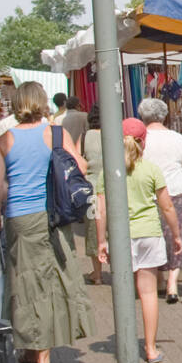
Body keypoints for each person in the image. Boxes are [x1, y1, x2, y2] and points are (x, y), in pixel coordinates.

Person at [0, 82, 93, 363]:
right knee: (49, 280)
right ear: (43, 102)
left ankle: (30, 349)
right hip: (51, 215)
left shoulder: (3, 140)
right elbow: (80, 168)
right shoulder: (56, 134)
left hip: (17, 218)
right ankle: (43, 360)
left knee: (24, 283)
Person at [96, 118, 182, 363]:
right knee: (148, 294)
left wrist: (101, 241)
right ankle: (151, 348)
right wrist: (176, 234)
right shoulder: (151, 169)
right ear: (143, 141)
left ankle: (125, 349)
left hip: (121, 236)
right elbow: (167, 207)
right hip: (149, 234)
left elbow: (100, 210)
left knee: (123, 293)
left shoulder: (108, 171)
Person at [138, 97, 182, 303]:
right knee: (178, 234)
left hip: (151, 193)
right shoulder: (177, 137)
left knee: (157, 236)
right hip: (178, 190)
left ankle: (161, 280)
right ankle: (173, 282)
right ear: (164, 115)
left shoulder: (141, 139)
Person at [82, 106, 105, 285]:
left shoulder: (85, 136)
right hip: (113, 187)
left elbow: (80, 162)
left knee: (93, 229)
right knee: (114, 227)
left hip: (91, 187)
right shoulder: (115, 133)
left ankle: (97, 274)